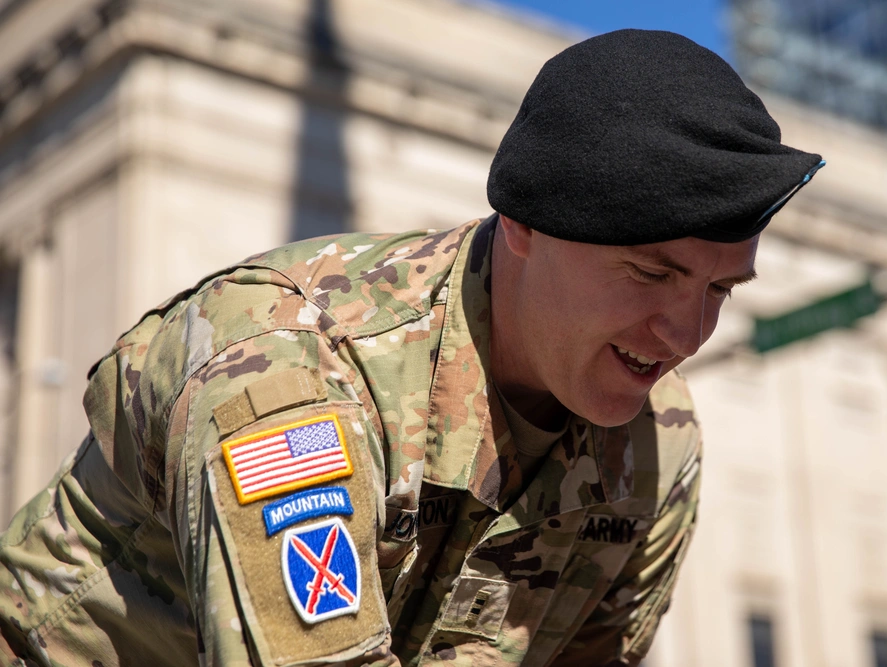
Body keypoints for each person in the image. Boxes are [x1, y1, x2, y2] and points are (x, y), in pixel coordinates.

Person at [0, 29, 823, 667]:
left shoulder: (658, 443)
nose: (683, 336)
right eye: (651, 274)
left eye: (719, 291)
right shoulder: (289, 369)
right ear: (528, 224)